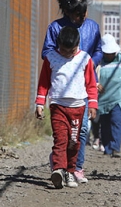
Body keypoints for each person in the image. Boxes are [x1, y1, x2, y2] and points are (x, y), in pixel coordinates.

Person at [42, 0, 102, 184]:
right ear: (68, 12)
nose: (83, 17)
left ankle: (76, 167)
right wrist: (66, 61)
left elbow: (98, 50)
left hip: (82, 88)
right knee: (63, 133)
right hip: (62, 91)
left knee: (81, 130)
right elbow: (47, 53)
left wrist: (88, 64)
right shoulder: (55, 28)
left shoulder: (92, 27)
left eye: (84, 13)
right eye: (78, 14)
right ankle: (61, 164)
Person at [35, 27, 98, 189]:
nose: (67, 54)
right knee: (60, 139)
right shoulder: (51, 58)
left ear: (78, 45)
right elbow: (43, 83)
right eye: (63, 49)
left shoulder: (85, 59)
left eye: (71, 50)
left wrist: (92, 104)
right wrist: (40, 103)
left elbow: (91, 84)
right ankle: (58, 169)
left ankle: (70, 170)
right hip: (58, 106)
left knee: (74, 142)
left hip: (78, 107)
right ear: (58, 45)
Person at [96, 34, 121, 158]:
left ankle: (115, 147)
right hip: (104, 99)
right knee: (105, 123)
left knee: (116, 120)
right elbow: (91, 75)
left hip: (120, 97)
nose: (109, 55)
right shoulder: (98, 61)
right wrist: (96, 84)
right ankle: (107, 148)